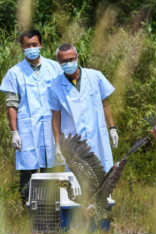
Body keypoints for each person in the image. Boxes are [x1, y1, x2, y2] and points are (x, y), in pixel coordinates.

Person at [0, 29, 64, 202]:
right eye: (27, 45)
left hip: (52, 126)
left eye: (35, 45)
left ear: (41, 45)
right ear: (21, 47)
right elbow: (12, 104)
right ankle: (26, 211)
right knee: (27, 172)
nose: (31, 48)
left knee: (51, 169)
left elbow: (64, 97)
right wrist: (14, 132)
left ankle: (50, 209)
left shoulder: (54, 67)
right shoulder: (15, 72)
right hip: (27, 128)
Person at [47, 43, 118, 172]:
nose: (68, 64)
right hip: (74, 140)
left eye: (71, 59)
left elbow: (104, 103)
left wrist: (112, 127)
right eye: (64, 61)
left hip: (97, 135)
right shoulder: (55, 86)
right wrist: (57, 144)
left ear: (77, 58)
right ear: (58, 62)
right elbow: (56, 116)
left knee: (104, 177)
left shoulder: (95, 76)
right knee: (78, 180)